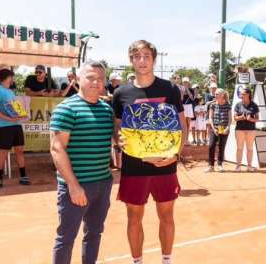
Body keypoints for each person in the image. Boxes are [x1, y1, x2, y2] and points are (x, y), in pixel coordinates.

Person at [112, 40, 186, 264]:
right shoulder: (120, 93)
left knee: (166, 216)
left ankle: (166, 260)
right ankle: (137, 261)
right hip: (134, 166)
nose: (142, 60)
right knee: (134, 217)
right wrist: (119, 141)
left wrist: (175, 154)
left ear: (154, 59)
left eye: (146, 56)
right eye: (137, 56)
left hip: (166, 165)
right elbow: (117, 127)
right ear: (131, 60)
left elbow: (182, 126)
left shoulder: (170, 89)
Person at [50, 61, 114, 263]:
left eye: (100, 78)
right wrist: (73, 186)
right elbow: (57, 148)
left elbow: (114, 138)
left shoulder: (107, 110)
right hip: (76, 187)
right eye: (90, 77)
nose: (96, 82)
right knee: (66, 238)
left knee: (94, 234)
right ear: (78, 79)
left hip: (103, 184)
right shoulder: (66, 108)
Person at [0, 68, 30, 188]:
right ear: (8, 78)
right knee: (4, 152)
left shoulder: (11, 92)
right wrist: (7, 119)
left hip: (16, 125)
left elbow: (15, 108)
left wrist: (22, 114)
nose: (13, 79)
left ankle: (23, 176)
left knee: (19, 150)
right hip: (4, 127)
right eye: (12, 77)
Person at [205, 88, 232, 173]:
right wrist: (213, 128)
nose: (215, 95)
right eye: (215, 94)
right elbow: (210, 118)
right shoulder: (212, 105)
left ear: (222, 95)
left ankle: (220, 165)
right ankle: (211, 166)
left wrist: (227, 128)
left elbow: (230, 118)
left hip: (224, 129)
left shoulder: (228, 105)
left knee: (221, 147)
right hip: (214, 129)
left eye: (217, 94)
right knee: (211, 146)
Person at [233, 87, 259, 172]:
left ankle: (249, 166)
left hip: (251, 130)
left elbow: (257, 119)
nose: (241, 95)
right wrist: (241, 117)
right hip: (239, 129)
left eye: (243, 94)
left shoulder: (254, 105)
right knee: (239, 148)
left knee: (250, 148)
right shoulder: (238, 105)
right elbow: (235, 118)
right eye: (241, 94)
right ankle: (238, 166)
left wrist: (250, 119)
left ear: (248, 95)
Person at [181, 77, 196, 144]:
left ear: (188, 82)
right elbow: (180, 98)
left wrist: (187, 89)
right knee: (183, 124)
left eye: (186, 82)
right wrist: (183, 90)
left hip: (189, 107)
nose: (185, 83)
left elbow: (192, 98)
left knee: (188, 124)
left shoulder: (191, 90)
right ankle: (183, 140)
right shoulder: (180, 89)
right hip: (182, 107)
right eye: (184, 82)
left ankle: (187, 139)